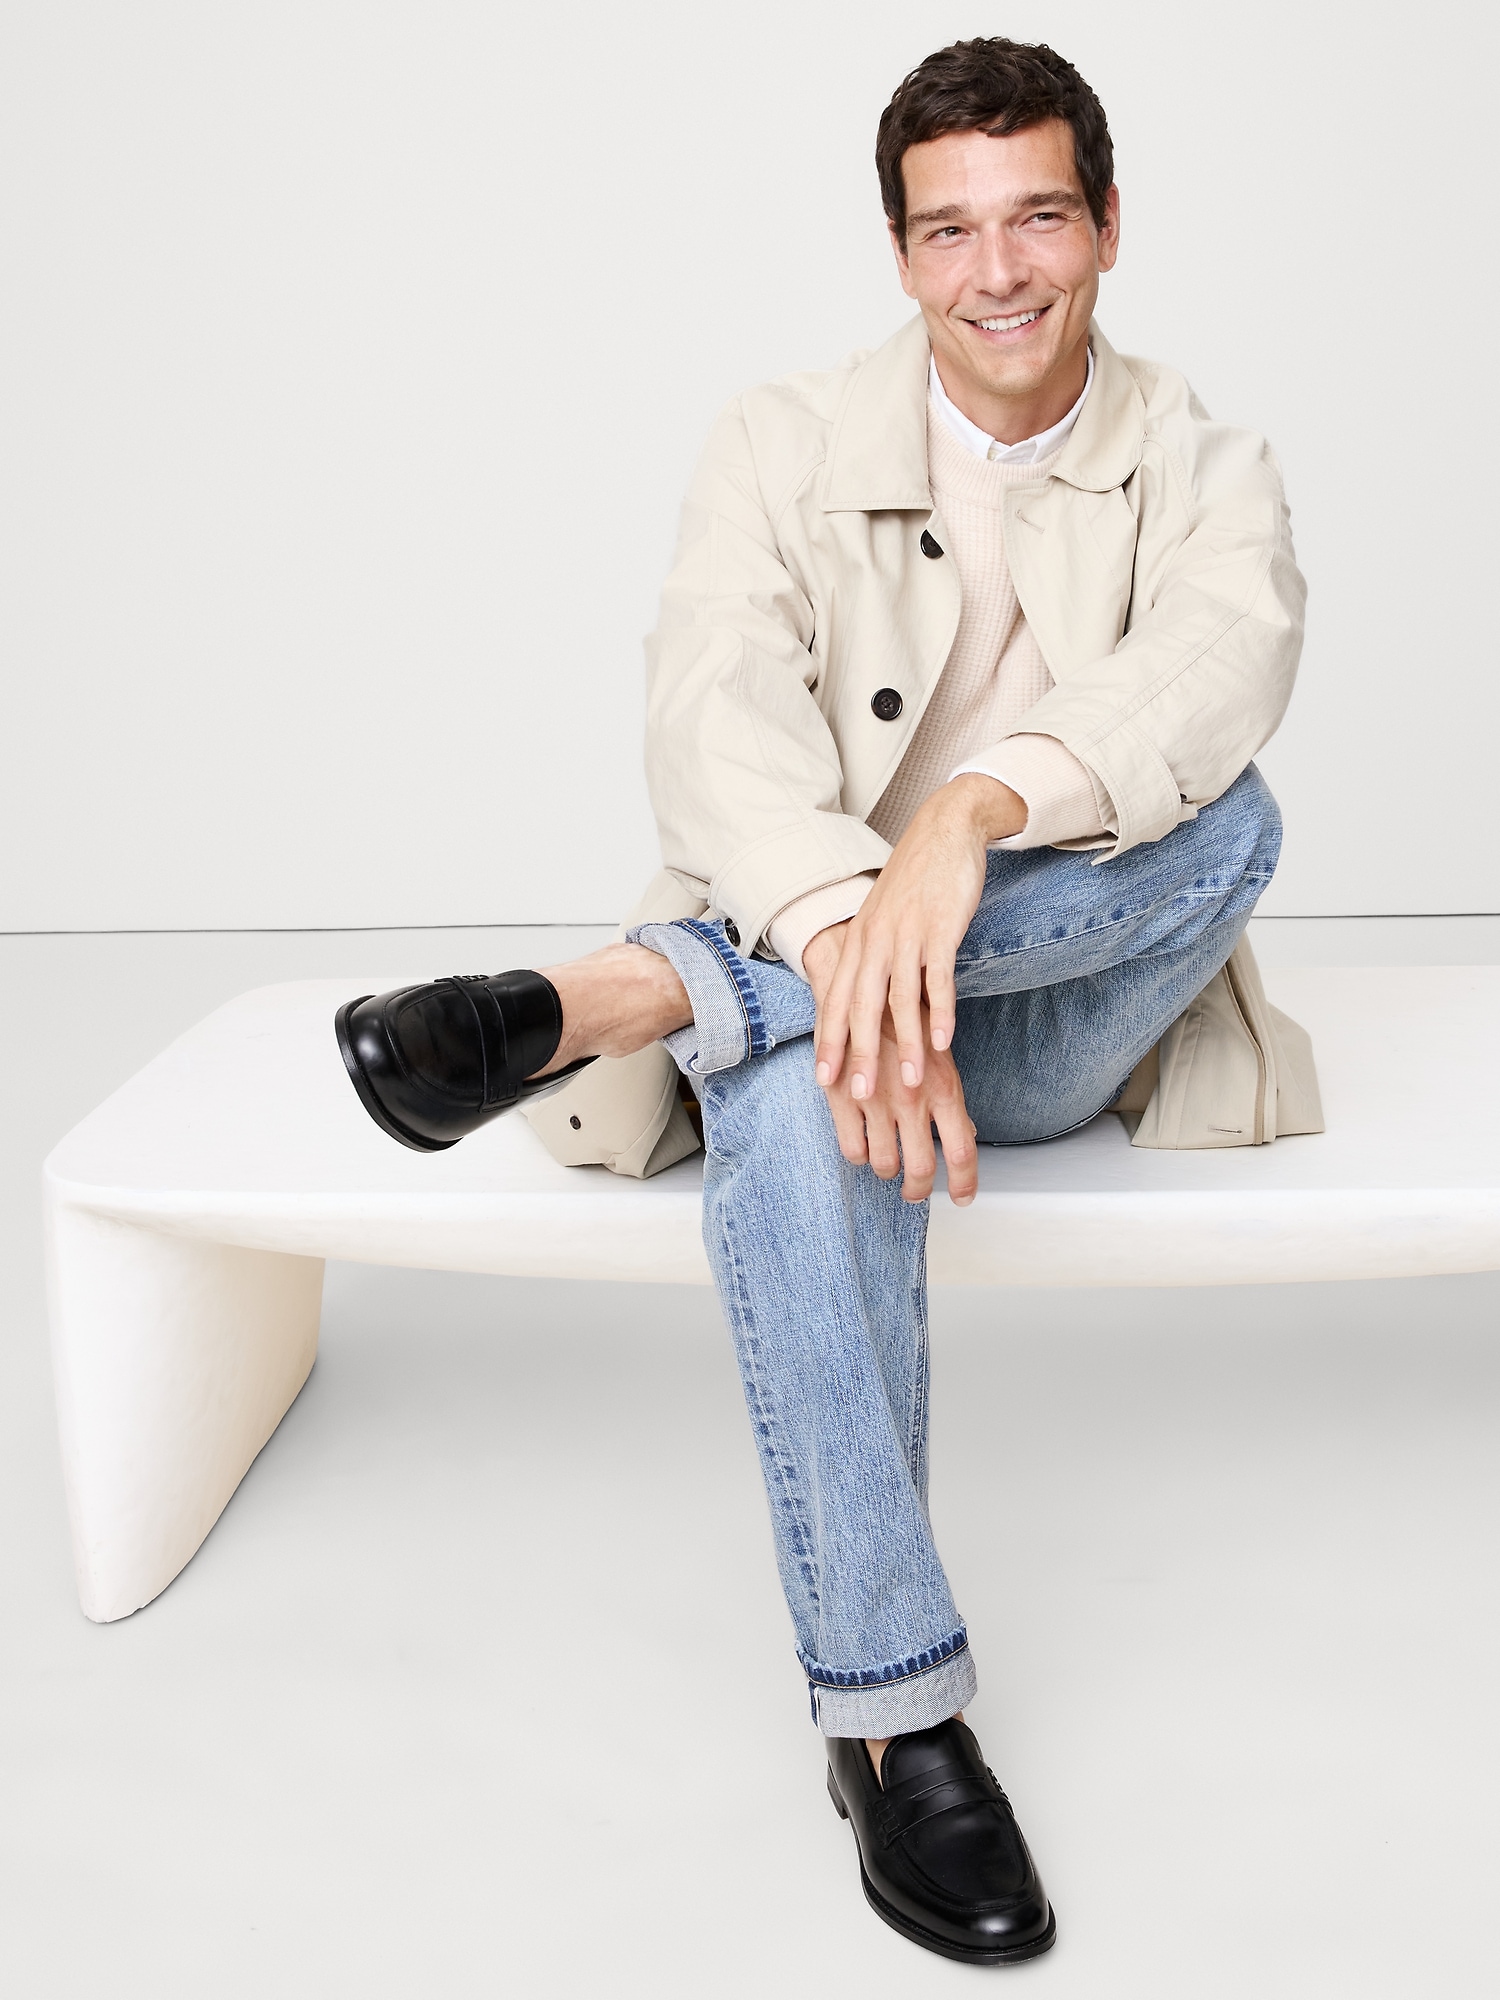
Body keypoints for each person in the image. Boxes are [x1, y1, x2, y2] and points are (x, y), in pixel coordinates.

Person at [335, 38, 1304, 1965]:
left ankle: (639, 993)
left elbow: (1218, 673)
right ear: (900, 251)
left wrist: (963, 821)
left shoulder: (1208, 464)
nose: (997, 272)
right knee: (796, 1092)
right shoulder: (776, 441)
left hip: (1047, 1014)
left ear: (1110, 227)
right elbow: (710, 713)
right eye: (950, 231)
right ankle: (896, 1723)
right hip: (827, 1002)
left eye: (1039, 218)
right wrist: (852, 924)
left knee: (1241, 822)